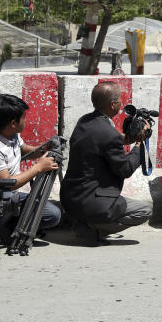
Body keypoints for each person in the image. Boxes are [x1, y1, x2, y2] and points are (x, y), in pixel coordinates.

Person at [61, 82, 153, 246]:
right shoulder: (108, 134)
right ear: (112, 104)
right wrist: (139, 144)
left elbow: (108, 139)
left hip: (70, 198)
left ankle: (84, 223)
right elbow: (125, 169)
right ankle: (92, 229)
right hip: (93, 202)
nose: (121, 105)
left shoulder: (85, 121)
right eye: (120, 101)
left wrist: (131, 136)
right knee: (144, 210)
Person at [0, 94, 62, 249]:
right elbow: (8, 184)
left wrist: (42, 150)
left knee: (53, 215)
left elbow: (23, 150)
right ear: (13, 123)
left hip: (12, 198)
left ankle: (10, 228)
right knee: (48, 214)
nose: (25, 121)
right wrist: (38, 167)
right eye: (24, 118)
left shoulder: (11, 135)